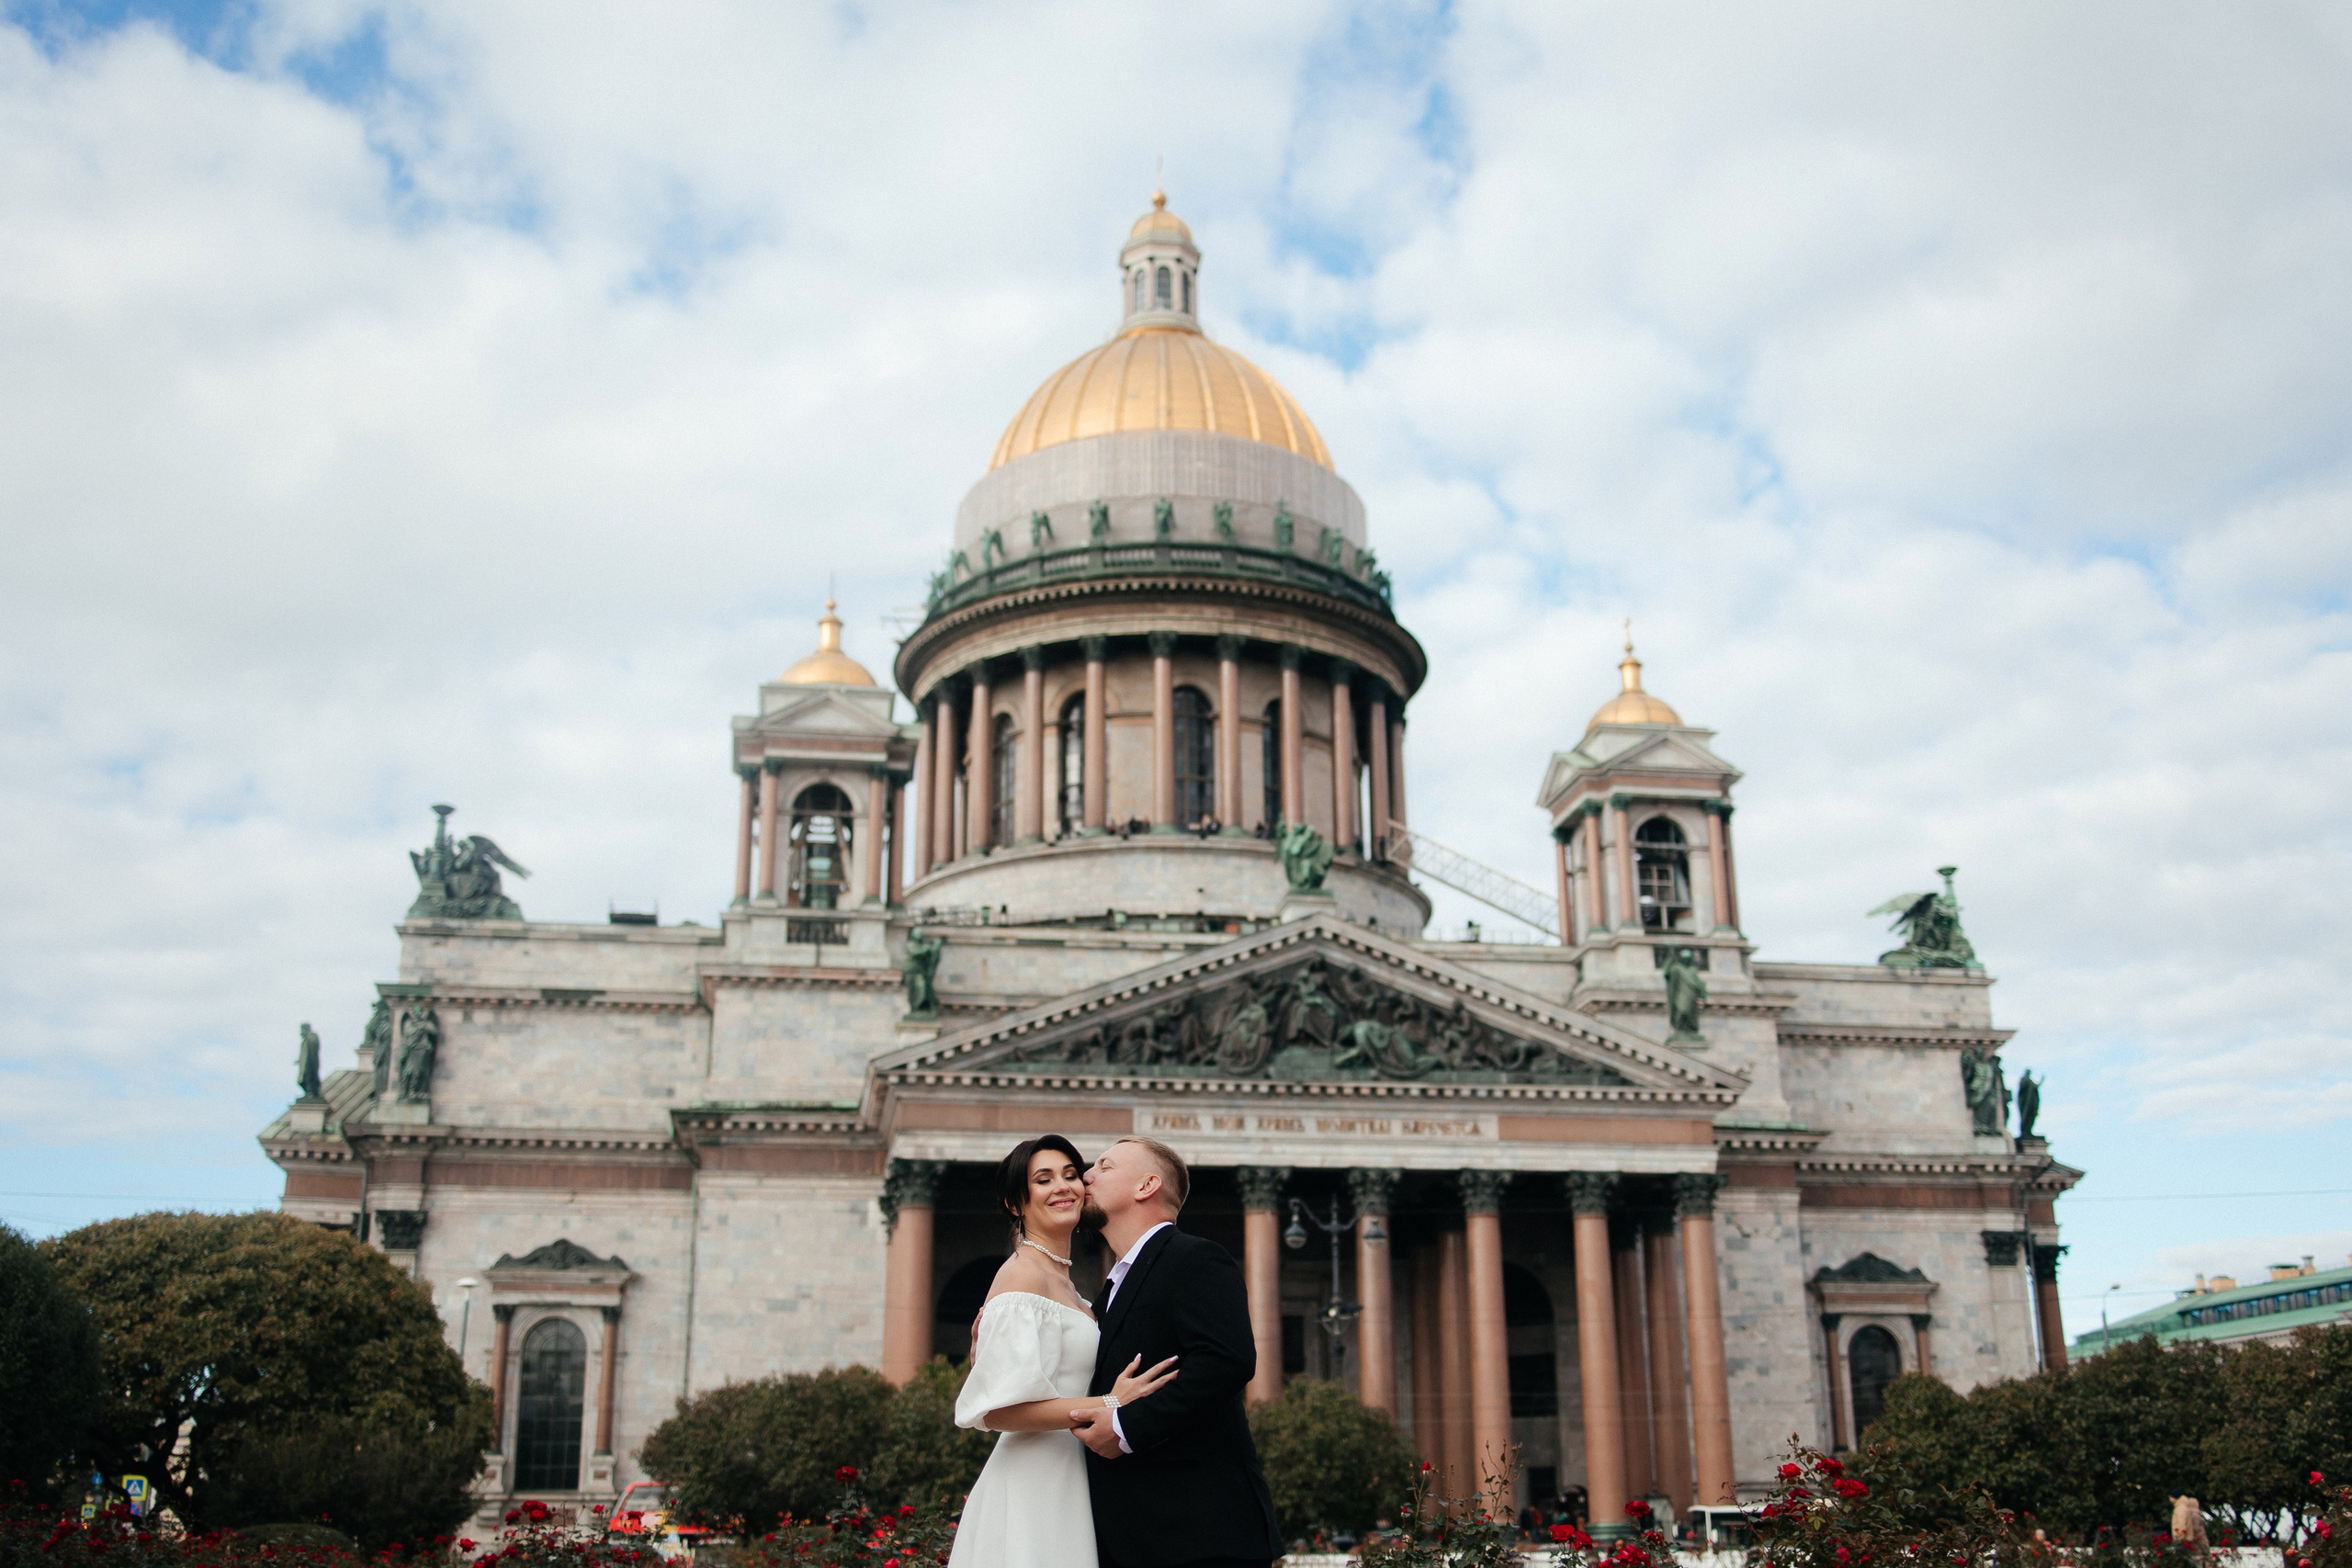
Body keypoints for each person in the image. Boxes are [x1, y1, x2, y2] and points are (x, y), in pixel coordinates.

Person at [949, 1136, 1177, 1568]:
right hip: (1033, 1483)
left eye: (1072, 1175)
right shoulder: (1021, 1278)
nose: (1064, 1187)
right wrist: (1112, 1402)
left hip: (1073, 1476)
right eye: (1043, 1179)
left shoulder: (1071, 1289)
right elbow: (1000, 1411)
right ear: (1015, 1203)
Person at [1071, 1136, 1284, 1568]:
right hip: (1134, 1535)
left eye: (1104, 1167)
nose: (1085, 1177)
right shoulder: (1110, 1288)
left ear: (1146, 1185)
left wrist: (1124, 1426)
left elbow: (1227, 1361)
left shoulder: (1195, 1258)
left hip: (1198, 1533)